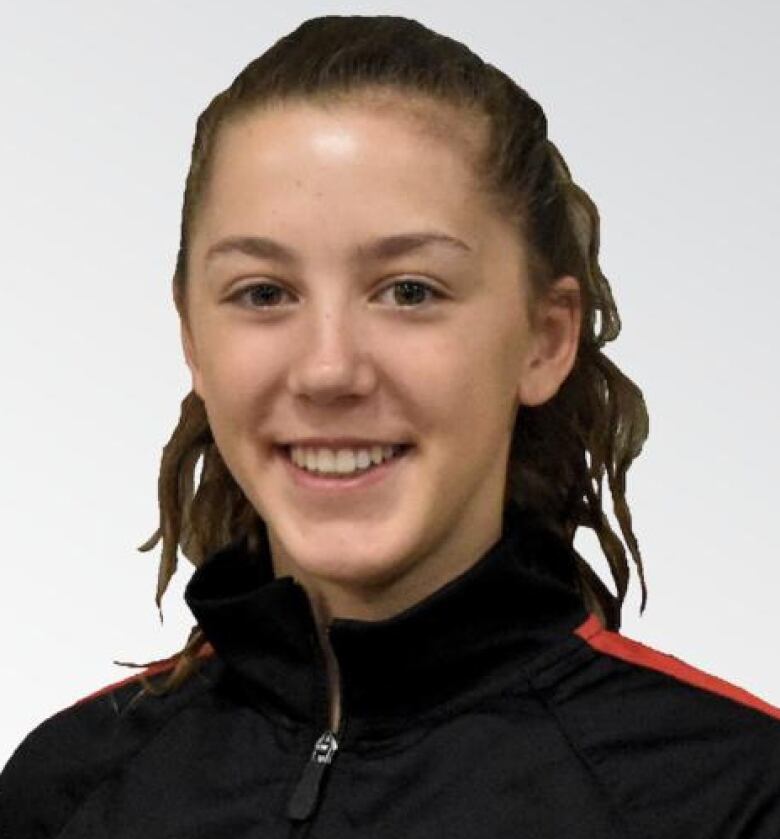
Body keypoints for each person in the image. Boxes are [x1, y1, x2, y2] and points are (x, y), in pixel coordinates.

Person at [1, 14, 778, 838]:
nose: (330, 369)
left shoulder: (730, 796)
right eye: (264, 292)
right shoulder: (64, 789)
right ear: (193, 337)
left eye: (410, 290)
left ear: (545, 340)